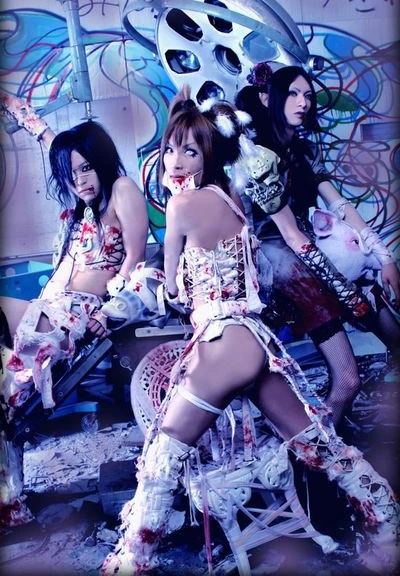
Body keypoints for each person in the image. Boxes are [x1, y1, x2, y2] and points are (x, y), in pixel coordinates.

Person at [100, 86, 399, 576]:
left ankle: (132, 564)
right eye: (170, 149)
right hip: (253, 340)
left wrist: (149, 282)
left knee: (160, 460)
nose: (174, 161)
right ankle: (387, 524)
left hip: (223, 343)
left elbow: (172, 289)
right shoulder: (234, 200)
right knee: (318, 444)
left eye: (189, 151)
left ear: (208, 155)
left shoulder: (181, 206)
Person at [0, 95, 152, 528]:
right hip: (52, 306)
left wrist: (112, 311)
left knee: (8, 390)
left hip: (79, 314)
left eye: (86, 168)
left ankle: (10, 504)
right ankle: (10, 498)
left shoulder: (121, 190)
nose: (79, 179)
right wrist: (22, 113)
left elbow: (135, 261)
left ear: (101, 161)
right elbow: (58, 146)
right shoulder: (83, 209)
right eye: (71, 174)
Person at [234, 63, 400, 426]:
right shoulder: (255, 156)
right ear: (268, 99)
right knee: (347, 381)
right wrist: (339, 283)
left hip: (308, 251)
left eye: (308, 95)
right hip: (278, 265)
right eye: (293, 94)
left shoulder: (304, 151)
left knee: (374, 298)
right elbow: (285, 235)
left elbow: (339, 204)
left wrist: (383, 256)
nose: (303, 102)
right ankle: (321, 449)